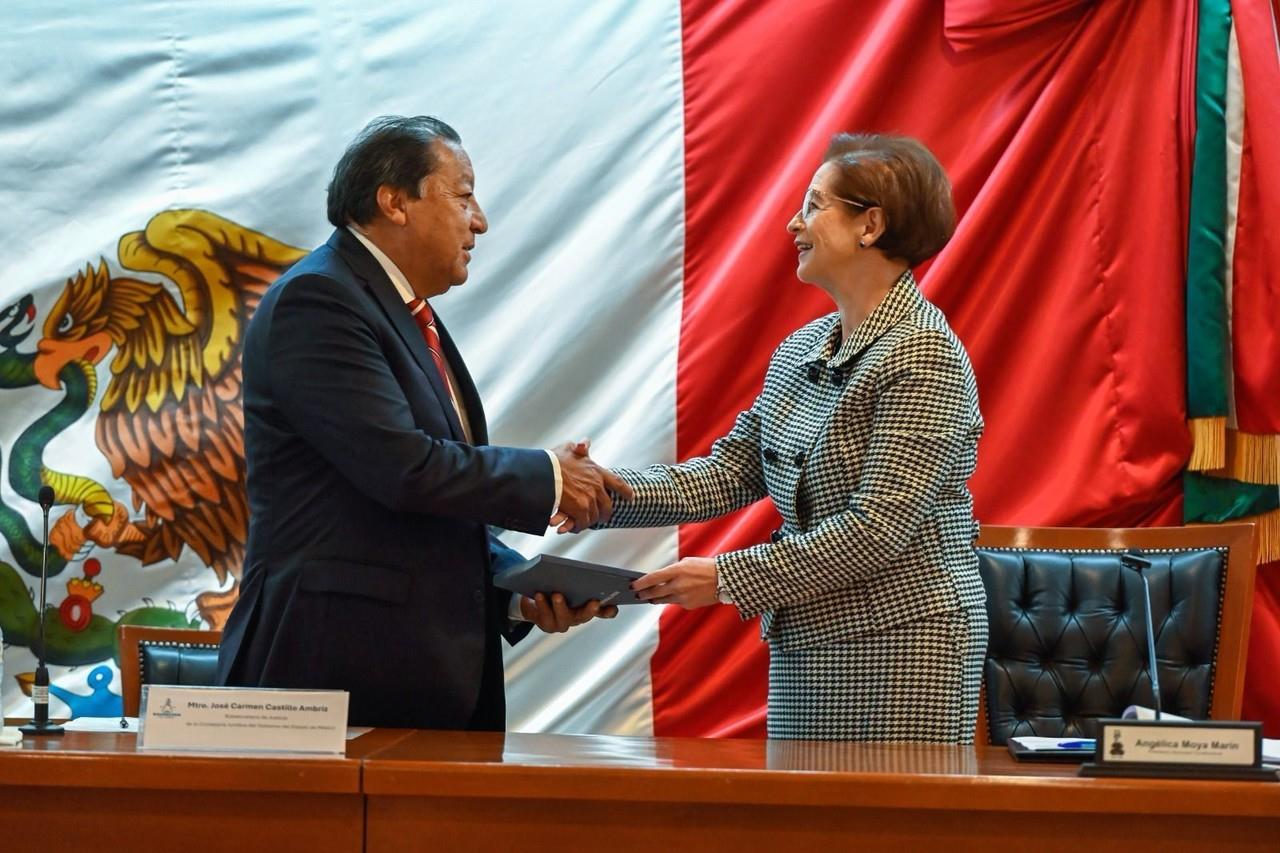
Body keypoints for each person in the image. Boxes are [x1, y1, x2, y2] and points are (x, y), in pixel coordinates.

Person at [216, 115, 631, 731]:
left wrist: (518, 589)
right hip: (333, 678)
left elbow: (419, 515)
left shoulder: (403, 312)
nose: (481, 220)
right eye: (463, 196)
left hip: (418, 676)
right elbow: (404, 468)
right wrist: (548, 475)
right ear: (394, 202)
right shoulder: (319, 301)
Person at [587, 133, 986, 742]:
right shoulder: (802, 348)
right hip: (810, 640)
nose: (791, 222)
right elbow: (730, 472)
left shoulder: (923, 353)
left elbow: (876, 531)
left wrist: (724, 578)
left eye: (815, 203)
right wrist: (601, 492)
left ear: (870, 225)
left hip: (906, 647)